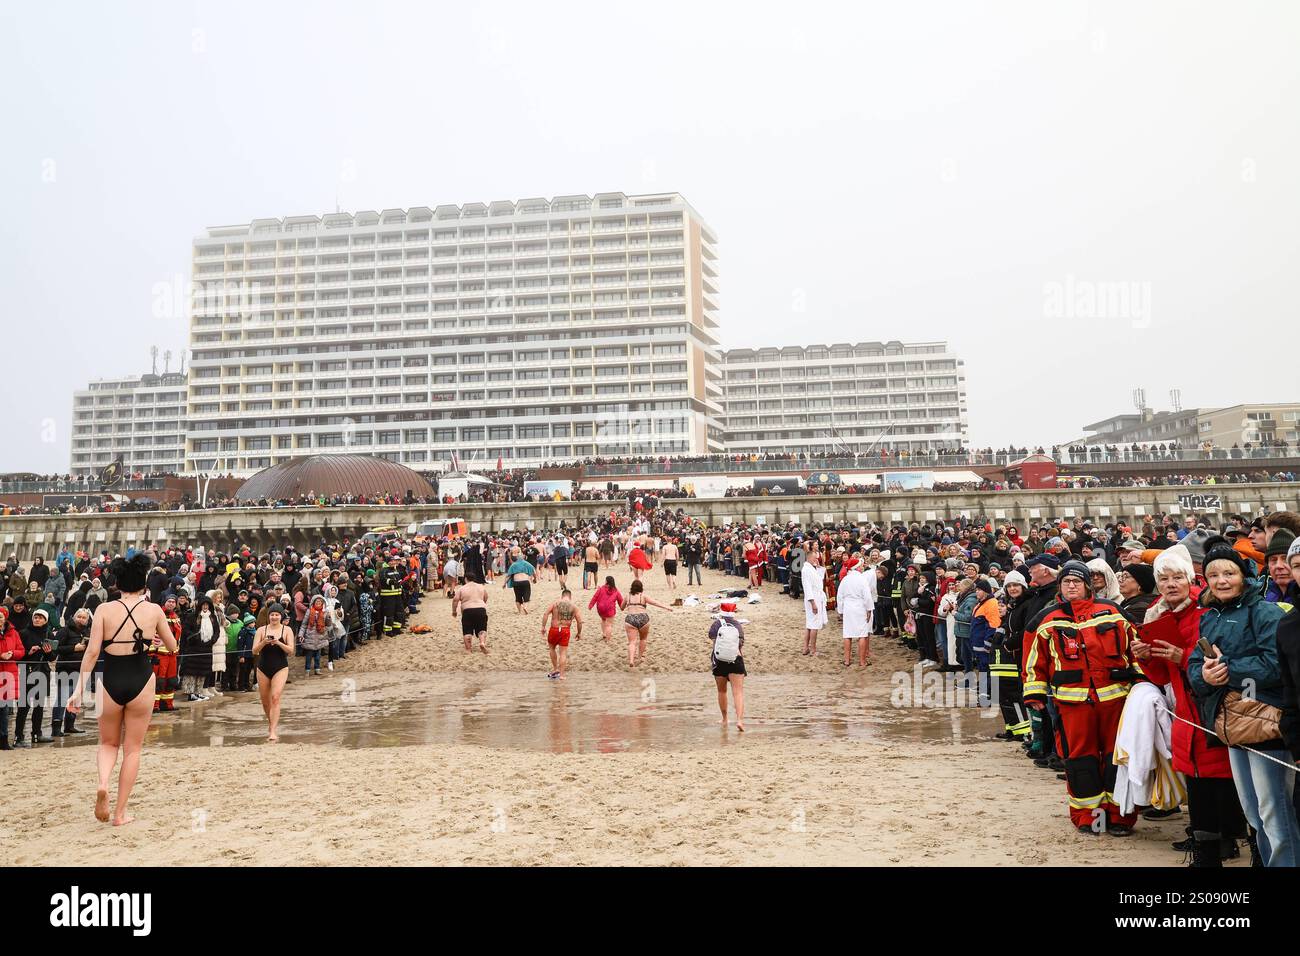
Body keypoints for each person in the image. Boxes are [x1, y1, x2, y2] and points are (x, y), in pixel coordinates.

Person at [1131, 544, 1245, 866]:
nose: (1170, 584)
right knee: (1197, 778)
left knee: (1219, 776)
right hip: (1184, 708)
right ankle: (1207, 843)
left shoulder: (1206, 612)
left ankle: (1225, 841)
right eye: (1163, 578)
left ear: (1190, 578)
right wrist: (1146, 657)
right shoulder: (1158, 615)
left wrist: (1182, 658)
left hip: (1210, 707)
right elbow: (1161, 675)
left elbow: (1214, 663)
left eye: (1177, 577)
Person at [1188, 540, 1299, 867]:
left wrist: (1228, 670)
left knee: (1274, 811)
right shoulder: (1209, 618)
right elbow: (1195, 667)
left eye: (1229, 573)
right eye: (1213, 575)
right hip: (1230, 725)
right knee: (1254, 812)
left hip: (1265, 724)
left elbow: (1275, 666)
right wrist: (1206, 676)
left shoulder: (1264, 612)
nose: (1221, 580)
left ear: (1244, 574)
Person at [1023, 559, 1146, 835]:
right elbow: (1033, 662)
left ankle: (1120, 818)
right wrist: (1034, 693)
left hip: (1116, 700)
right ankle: (1089, 818)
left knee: (1118, 759)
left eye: (1077, 581)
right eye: (1066, 581)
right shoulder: (1046, 619)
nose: (1071, 585)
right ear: (1060, 586)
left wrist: (1141, 681)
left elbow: (1135, 649)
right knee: (1080, 760)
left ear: (1087, 585)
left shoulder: (1113, 612)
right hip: (1072, 704)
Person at [67, 553, 178, 826]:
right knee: (133, 749)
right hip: (141, 678)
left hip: (111, 679)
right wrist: (151, 638)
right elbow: (173, 647)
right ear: (143, 585)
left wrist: (78, 690)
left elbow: (92, 654)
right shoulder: (153, 610)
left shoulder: (104, 610)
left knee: (107, 743)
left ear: (117, 584)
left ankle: (103, 783)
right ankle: (119, 814)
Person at [254, 604, 294, 741]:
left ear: (281, 616)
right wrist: (264, 642)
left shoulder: (287, 630)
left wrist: (278, 643)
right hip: (263, 668)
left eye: (277, 614)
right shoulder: (261, 630)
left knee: (275, 697)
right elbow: (254, 651)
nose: (274, 617)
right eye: (272, 614)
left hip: (280, 667)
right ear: (268, 616)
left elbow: (291, 650)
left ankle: (273, 731)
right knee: (265, 702)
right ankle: (270, 724)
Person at [710, 603, 746, 731]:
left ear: (722, 611)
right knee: (738, 692)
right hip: (735, 660)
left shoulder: (716, 624)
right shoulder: (737, 625)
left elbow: (712, 639)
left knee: (722, 691)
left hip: (719, 661)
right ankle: (740, 721)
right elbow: (740, 644)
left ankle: (725, 719)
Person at [622, 578, 673, 667]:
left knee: (632, 642)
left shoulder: (627, 596)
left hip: (630, 618)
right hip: (643, 618)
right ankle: (640, 657)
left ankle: (631, 660)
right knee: (643, 639)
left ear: (632, 587)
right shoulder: (643, 596)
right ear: (641, 588)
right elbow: (655, 603)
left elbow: (621, 607)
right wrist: (667, 607)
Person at [837, 559, 873, 668]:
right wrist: (869, 609)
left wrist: (841, 610)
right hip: (860, 607)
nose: (862, 567)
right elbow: (867, 596)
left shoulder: (845, 580)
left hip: (848, 607)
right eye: (861, 566)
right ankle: (862, 661)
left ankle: (847, 660)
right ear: (857, 567)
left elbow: (840, 596)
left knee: (847, 633)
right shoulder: (862, 579)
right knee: (862, 634)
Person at [540, 589, 582, 679]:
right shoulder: (574, 606)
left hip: (554, 629)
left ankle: (555, 669)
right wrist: (579, 633)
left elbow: (545, 614)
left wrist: (543, 627)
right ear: (570, 597)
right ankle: (562, 675)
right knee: (563, 653)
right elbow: (579, 622)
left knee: (552, 648)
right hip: (565, 630)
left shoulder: (555, 603)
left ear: (562, 596)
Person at [453, 573, 490, 654]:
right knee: (482, 628)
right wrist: (482, 603)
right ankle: (482, 643)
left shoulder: (462, 588)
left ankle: (468, 649)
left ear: (466, 579)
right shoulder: (481, 586)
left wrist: (454, 611)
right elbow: (486, 597)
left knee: (467, 630)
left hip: (467, 610)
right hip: (481, 610)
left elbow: (455, 600)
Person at [801, 547, 827, 656]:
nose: (817, 559)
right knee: (814, 624)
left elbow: (819, 580)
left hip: (816, 596)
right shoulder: (806, 569)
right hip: (813, 598)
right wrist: (813, 603)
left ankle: (806, 648)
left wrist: (819, 567)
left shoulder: (811, 568)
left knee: (810, 624)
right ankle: (813, 649)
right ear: (810, 557)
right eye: (815, 558)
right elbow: (807, 588)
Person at [297, 595, 331, 676]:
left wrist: (329, 618)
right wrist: (301, 635)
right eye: (317, 601)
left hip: (320, 636)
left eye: (320, 601)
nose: (318, 603)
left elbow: (328, 624)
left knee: (318, 655)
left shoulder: (325, 612)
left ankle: (317, 669)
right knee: (309, 655)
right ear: (313, 602)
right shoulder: (309, 611)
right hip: (310, 636)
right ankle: (307, 670)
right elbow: (304, 624)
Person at [588, 576, 624, 642]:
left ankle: (604, 634)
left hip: (600, 608)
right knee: (609, 624)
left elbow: (595, 597)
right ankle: (608, 639)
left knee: (603, 620)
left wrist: (591, 605)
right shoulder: (616, 591)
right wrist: (622, 607)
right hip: (609, 609)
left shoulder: (601, 588)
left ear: (606, 581)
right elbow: (621, 600)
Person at [503, 549, 538, 614]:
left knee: (518, 598)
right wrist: (535, 579)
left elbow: (508, 576)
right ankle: (525, 607)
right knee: (527, 596)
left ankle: (519, 611)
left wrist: (504, 584)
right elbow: (533, 571)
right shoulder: (526, 563)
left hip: (516, 582)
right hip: (525, 581)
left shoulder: (513, 565)